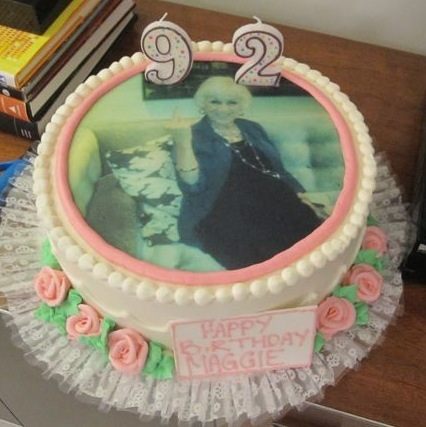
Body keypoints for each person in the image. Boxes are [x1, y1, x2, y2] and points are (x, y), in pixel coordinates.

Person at [168, 76, 322, 270]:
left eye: (232, 102)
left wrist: (300, 194)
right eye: (215, 102)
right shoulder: (194, 135)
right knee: (262, 263)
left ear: (241, 106)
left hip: (276, 203)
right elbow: (192, 186)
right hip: (225, 210)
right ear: (203, 104)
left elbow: (277, 169)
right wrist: (182, 142)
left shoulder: (252, 128)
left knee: (313, 249)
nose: (223, 109)